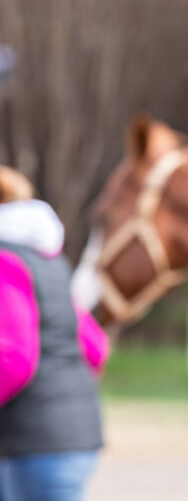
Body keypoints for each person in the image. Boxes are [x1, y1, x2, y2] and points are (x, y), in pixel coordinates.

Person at [0, 167, 108, 501]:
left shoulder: (5, 261)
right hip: (74, 439)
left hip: (33, 444)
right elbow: (95, 347)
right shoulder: (48, 262)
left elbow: (14, 358)